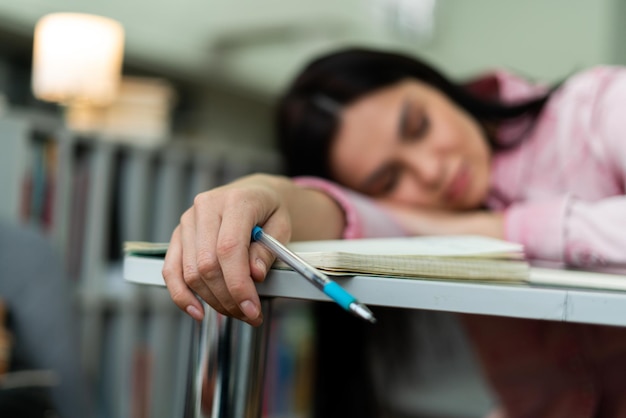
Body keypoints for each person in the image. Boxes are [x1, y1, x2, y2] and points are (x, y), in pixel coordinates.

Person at [162, 47, 626, 418]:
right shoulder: (411, 220)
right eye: (387, 181)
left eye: (419, 125)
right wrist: (255, 192)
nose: (429, 171)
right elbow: (336, 214)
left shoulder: (596, 108)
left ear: (433, 83)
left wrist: (501, 229)